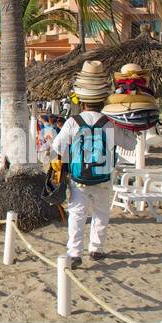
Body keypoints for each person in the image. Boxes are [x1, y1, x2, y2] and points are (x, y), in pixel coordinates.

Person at [48, 61, 134, 269]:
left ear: (82, 99)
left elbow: (58, 147)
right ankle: (97, 248)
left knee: (77, 214)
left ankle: (75, 252)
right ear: (102, 99)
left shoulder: (73, 122)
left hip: (80, 179)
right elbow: (130, 145)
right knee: (101, 213)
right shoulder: (111, 123)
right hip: (104, 176)